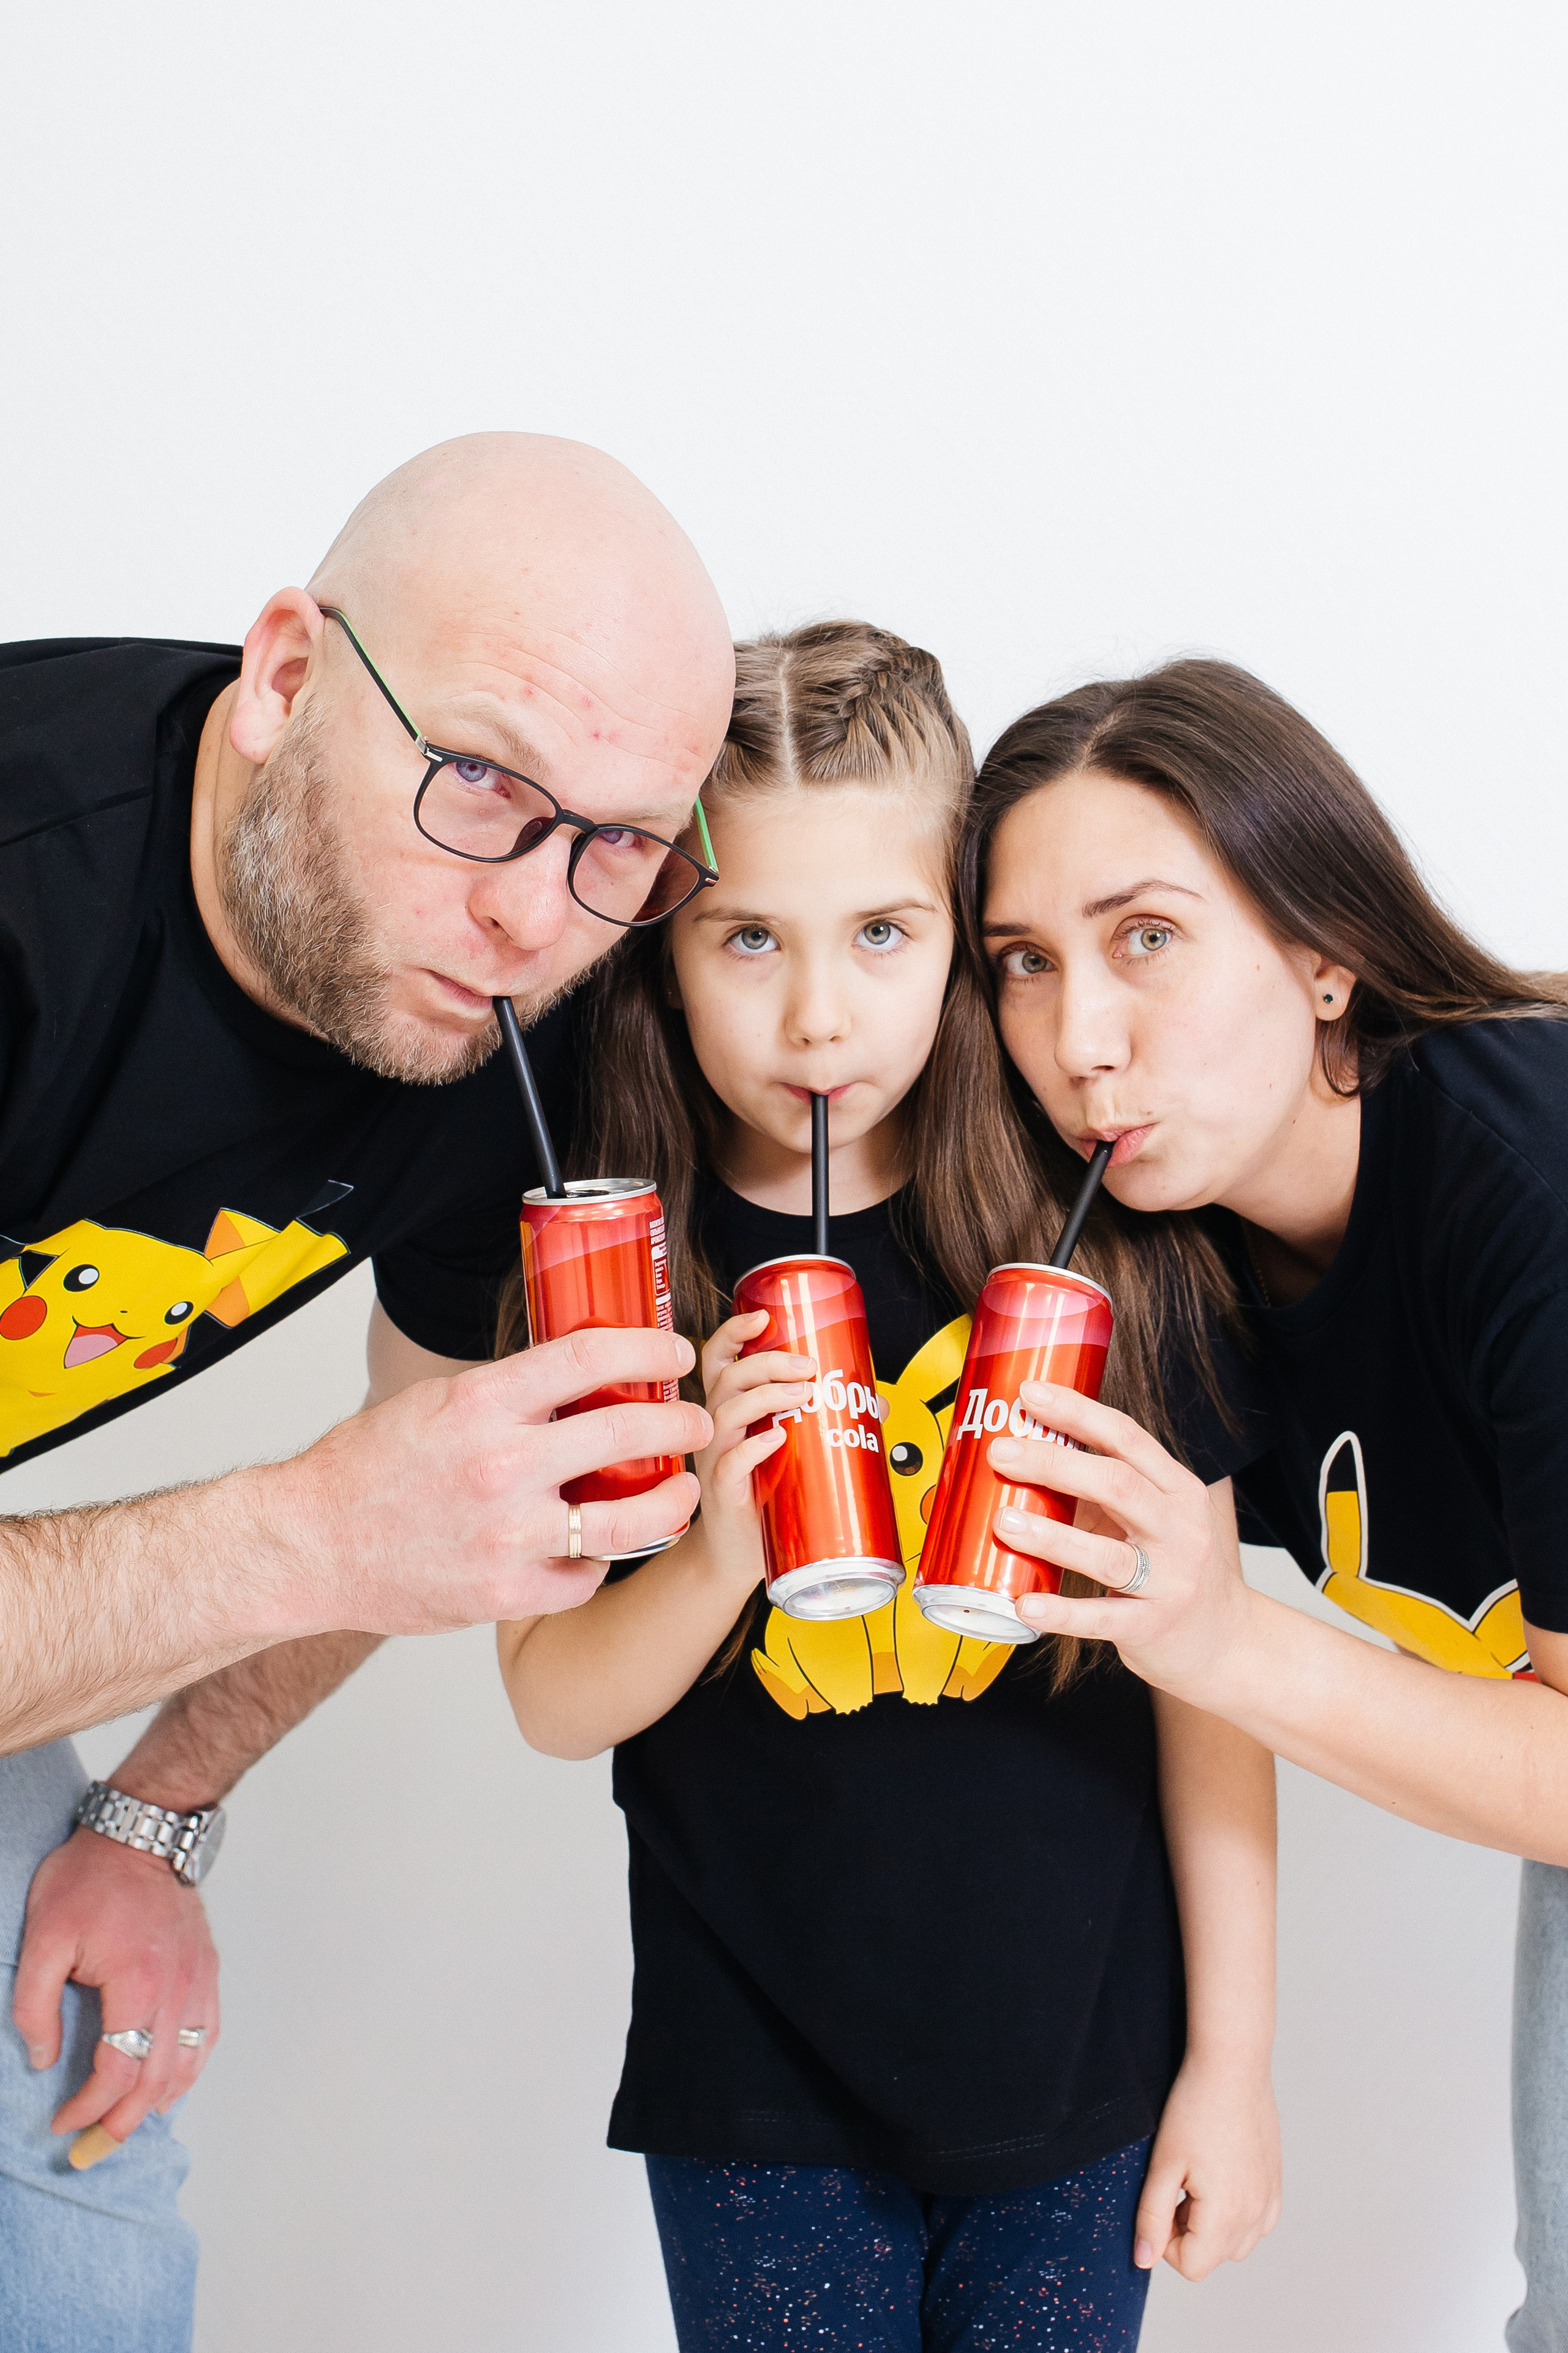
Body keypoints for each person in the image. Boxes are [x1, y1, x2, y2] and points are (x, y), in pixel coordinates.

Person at [0, 432, 728, 2352]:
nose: (534, 915)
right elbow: (358, 1517)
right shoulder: (32, 906)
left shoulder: (523, 1024)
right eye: (482, 781)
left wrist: (157, 1806)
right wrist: (311, 1524)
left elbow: (443, 1473)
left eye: (622, 842)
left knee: (75, 2176)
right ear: (288, 677)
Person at [497, 624, 1281, 2352]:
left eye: (881, 932)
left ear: (966, 939)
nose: (817, 1012)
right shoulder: (612, 1263)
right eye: (747, 936)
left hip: (1085, 2069)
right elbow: (552, 1698)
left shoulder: (1117, 1240)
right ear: (664, 950)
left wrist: (1232, 2061)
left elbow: (1213, 1690)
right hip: (755, 2082)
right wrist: (717, 1554)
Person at [960, 657, 1568, 2350]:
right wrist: (1231, 2062)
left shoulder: (1531, 1183)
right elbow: (1189, 1630)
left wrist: (1228, 1633)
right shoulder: (1173, 1239)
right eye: (1024, 964)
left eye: (1147, 936)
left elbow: (1210, 1631)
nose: (1079, 1039)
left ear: (1323, 953)